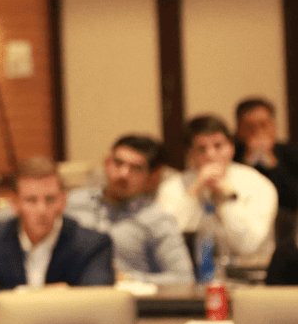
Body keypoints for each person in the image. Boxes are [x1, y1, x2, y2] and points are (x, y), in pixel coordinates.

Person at [0, 157, 114, 319]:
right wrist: (47, 294)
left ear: (63, 201)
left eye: (50, 199)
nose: (42, 210)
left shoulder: (92, 244)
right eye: (31, 200)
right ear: (15, 203)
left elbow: (96, 304)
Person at [66, 135, 193, 285]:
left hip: (126, 300)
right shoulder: (72, 204)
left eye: (136, 168)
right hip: (71, 298)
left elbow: (183, 278)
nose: (123, 174)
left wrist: (130, 279)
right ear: (106, 162)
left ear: (150, 177)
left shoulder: (155, 219)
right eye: (118, 163)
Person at [157, 115, 277, 263]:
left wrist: (227, 198)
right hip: (191, 273)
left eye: (218, 146)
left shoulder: (257, 185)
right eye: (201, 149)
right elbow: (167, 243)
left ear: (231, 148)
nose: (211, 155)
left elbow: (248, 246)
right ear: (190, 154)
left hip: (251, 273)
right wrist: (193, 194)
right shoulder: (173, 187)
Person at [234, 97, 298, 242]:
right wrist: (248, 162)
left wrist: (273, 165)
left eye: (263, 125)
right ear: (239, 130)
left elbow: (294, 199)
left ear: (273, 126)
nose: (258, 132)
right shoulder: (232, 155)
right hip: (245, 229)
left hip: (288, 231)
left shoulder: (292, 154)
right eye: (250, 127)